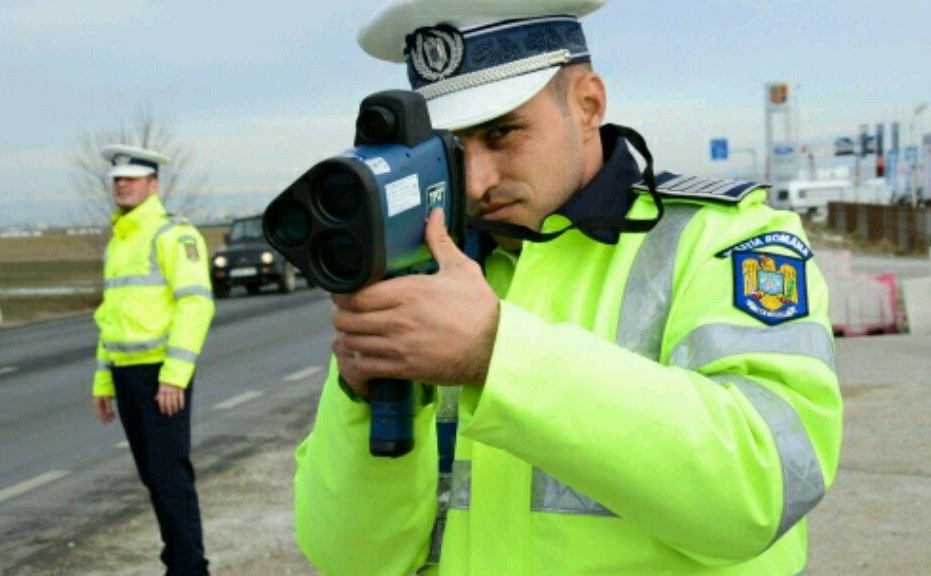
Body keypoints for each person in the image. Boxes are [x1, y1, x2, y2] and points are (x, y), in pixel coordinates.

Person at [294, 1, 843, 575]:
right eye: (452, 152)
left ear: (588, 104)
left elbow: (764, 488)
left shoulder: (727, 239)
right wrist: (363, 402)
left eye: (502, 132)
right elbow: (349, 558)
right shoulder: (426, 279)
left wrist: (495, 353)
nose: (477, 182)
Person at [91, 144, 215, 576]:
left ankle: (190, 569)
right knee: (153, 478)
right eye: (117, 179)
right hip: (126, 376)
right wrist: (104, 381)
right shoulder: (119, 242)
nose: (122, 184)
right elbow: (111, 317)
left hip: (161, 375)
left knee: (169, 477)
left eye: (132, 178)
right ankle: (177, 562)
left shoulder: (172, 235)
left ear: (153, 184)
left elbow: (196, 306)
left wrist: (175, 377)